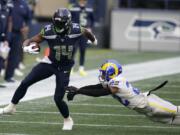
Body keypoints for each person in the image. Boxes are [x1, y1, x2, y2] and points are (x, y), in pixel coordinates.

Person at [0, 8, 97, 130]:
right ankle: (11, 106)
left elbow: (87, 32)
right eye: (55, 23)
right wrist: (25, 47)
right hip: (50, 63)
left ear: (67, 23)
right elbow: (30, 40)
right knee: (25, 82)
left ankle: (67, 119)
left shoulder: (76, 29)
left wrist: (93, 40)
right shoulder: (48, 30)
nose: (57, 26)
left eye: (60, 23)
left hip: (65, 67)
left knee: (57, 98)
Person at [66, 59, 180, 125]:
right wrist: (78, 90)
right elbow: (95, 86)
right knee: (173, 120)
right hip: (145, 110)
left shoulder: (117, 81)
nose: (101, 75)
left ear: (111, 72)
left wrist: (80, 91)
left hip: (149, 103)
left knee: (176, 111)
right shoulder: (111, 81)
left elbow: (101, 92)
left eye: (103, 72)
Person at [5, 0, 31, 82]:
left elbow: (29, 18)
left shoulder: (24, 4)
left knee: (14, 55)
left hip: (18, 33)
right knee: (2, 55)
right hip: (5, 32)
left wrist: (27, 26)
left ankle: (9, 76)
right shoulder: (7, 2)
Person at [69, 0, 94, 76]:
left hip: (84, 32)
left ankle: (81, 69)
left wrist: (90, 27)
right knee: (73, 50)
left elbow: (92, 19)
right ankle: (71, 68)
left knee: (83, 50)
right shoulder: (73, 7)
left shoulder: (89, 8)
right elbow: (69, 19)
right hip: (75, 32)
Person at [0, 0, 13, 87]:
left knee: (1, 60)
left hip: (2, 38)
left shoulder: (6, 7)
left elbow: (7, 24)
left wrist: (6, 39)